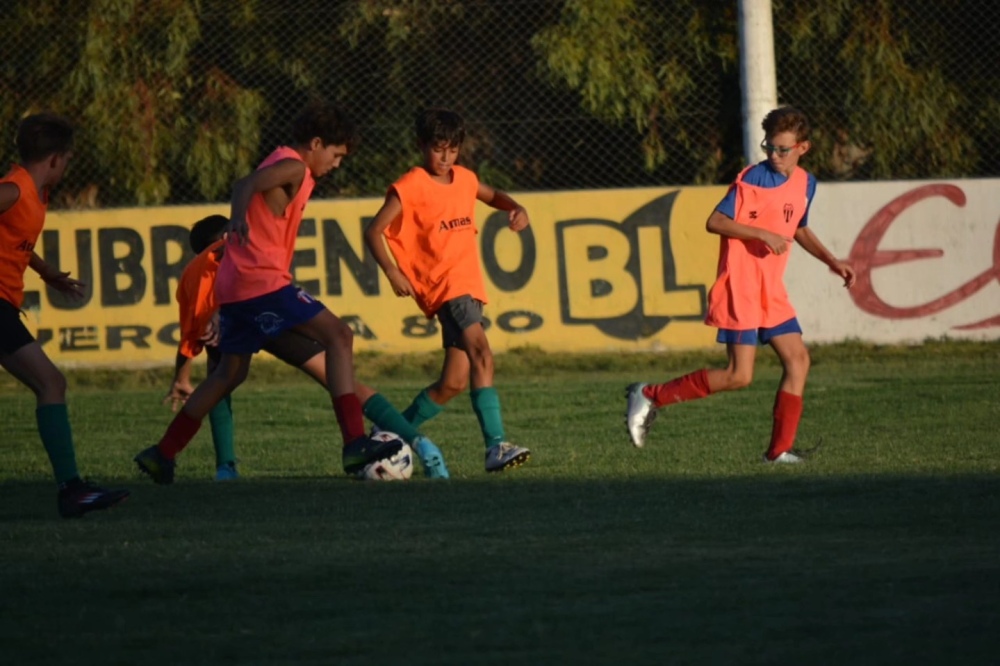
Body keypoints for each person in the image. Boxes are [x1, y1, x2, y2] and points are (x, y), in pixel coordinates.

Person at [134, 101, 405, 483]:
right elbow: (243, 185)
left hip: (235, 287)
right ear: (316, 143)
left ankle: (162, 454)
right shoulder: (294, 164)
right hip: (262, 283)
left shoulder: (287, 164)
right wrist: (240, 217)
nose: (337, 164)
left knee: (228, 375)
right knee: (340, 336)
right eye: (336, 154)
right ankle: (354, 441)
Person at [625, 106, 856, 463]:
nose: (774, 156)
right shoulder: (753, 180)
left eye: (783, 149)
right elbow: (715, 221)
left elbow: (797, 228)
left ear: (803, 148)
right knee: (738, 375)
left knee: (798, 361)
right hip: (741, 285)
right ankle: (650, 394)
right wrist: (760, 233)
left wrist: (832, 261)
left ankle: (778, 452)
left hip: (771, 289)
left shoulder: (806, 183)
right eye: (769, 147)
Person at [163, 214, 448, 480]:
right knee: (338, 377)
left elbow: (190, 335)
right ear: (227, 236)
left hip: (231, 325)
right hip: (265, 314)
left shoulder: (190, 275)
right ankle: (419, 443)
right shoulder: (231, 250)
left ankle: (223, 467)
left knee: (219, 380)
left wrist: (182, 377)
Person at [364, 108, 531, 473]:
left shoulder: (465, 179)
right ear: (422, 146)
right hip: (448, 288)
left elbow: (493, 195)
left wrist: (516, 208)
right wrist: (392, 271)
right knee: (482, 353)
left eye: (452, 150)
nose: (445, 157)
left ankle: (389, 431)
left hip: (469, 287)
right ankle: (495, 446)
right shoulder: (411, 185)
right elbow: (373, 230)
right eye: (438, 149)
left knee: (452, 384)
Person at [0, 113, 129, 517]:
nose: (67, 166)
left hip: (5, 304)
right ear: (55, 158)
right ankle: (71, 490)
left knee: (51, 383)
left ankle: (72, 489)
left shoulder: (33, 192)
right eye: (68, 159)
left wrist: (44, 271)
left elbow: (14, 238)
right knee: (51, 382)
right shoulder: (15, 188)